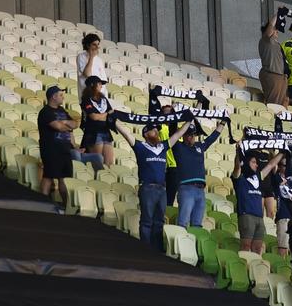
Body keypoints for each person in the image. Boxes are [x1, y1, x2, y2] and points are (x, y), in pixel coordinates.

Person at [112, 119, 188, 251]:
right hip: (147, 187)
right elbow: (125, 133)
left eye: (157, 131)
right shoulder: (140, 146)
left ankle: (157, 250)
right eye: (154, 131)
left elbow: (179, 134)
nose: (157, 133)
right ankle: (146, 250)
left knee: (159, 222)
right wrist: (114, 119)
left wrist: (189, 120)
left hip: (161, 189)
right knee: (147, 221)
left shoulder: (163, 146)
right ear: (146, 134)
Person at [231, 145, 284, 254]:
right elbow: (237, 166)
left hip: (259, 217)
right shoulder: (239, 178)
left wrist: (283, 151)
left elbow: (271, 165)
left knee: (257, 248)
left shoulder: (257, 177)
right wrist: (238, 151)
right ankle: (243, 268)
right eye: (253, 162)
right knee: (245, 246)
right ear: (246, 163)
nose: (256, 164)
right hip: (246, 215)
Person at [172, 119, 224, 228]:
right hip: (186, 188)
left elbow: (212, 138)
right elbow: (173, 131)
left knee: (197, 224)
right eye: (189, 135)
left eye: (193, 135)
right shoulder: (178, 147)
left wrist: (223, 123)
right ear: (183, 135)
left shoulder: (199, 146)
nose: (192, 137)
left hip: (201, 190)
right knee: (183, 222)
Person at [36, 85, 78, 203]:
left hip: (64, 149)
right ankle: (43, 204)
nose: (63, 98)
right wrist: (67, 126)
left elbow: (75, 124)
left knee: (63, 178)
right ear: (53, 97)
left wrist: (64, 122)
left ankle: (65, 206)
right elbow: (58, 127)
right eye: (60, 95)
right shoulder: (45, 112)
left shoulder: (62, 111)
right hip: (51, 150)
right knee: (48, 176)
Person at [79, 76, 115, 166]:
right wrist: (106, 114)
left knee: (109, 163)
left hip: (106, 131)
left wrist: (102, 115)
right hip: (93, 133)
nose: (101, 86)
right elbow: (94, 117)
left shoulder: (104, 99)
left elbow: (112, 114)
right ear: (92, 85)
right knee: (97, 162)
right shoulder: (86, 100)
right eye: (99, 84)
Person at [258, 11, 287, 105]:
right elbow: (270, 25)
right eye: (275, 29)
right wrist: (278, 13)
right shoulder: (266, 40)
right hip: (273, 75)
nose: (277, 31)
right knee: (274, 104)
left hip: (280, 76)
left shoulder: (274, 43)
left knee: (281, 104)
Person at [76, 33, 107, 100]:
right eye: (94, 44)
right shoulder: (81, 56)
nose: (97, 47)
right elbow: (87, 74)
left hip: (101, 95)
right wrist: (91, 57)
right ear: (87, 45)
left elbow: (103, 80)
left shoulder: (99, 59)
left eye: (98, 44)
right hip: (88, 95)